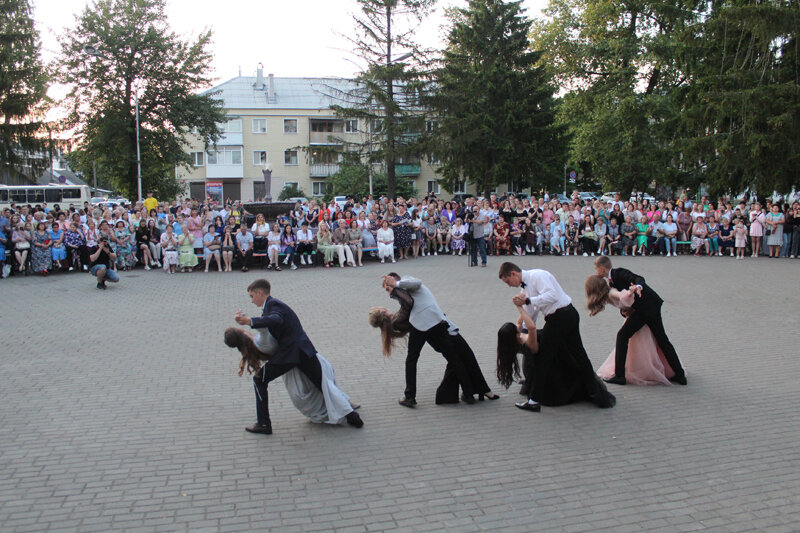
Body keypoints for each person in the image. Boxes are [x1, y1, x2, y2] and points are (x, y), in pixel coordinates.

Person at [232, 279, 363, 434]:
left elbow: (276, 319)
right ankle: (351, 416)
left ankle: (264, 423)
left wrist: (249, 321)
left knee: (259, 379)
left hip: (290, 354)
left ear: (260, 292)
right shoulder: (273, 306)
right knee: (321, 383)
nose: (252, 301)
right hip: (304, 350)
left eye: (252, 296)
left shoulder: (274, 305)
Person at [498, 262, 616, 411]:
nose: (509, 285)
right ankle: (593, 391)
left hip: (559, 318)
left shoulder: (538, 275)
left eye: (508, 281)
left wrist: (528, 301)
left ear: (513, 274)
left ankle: (534, 401)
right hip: (567, 315)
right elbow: (530, 314)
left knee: (543, 359)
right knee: (579, 355)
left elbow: (551, 296)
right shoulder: (525, 288)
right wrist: (520, 329)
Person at [371, 274, 498, 405]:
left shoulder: (406, 283)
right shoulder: (403, 294)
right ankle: (470, 393)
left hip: (428, 325)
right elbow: (408, 308)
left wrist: (396, 285)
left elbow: (416, 284)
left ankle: (410, 396)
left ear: (394, 279)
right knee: (456, 358)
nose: (389, 292)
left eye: (388, 288)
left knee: (450, 358)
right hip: (436, 324)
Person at [593, 255, 687, 385]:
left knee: (623, 336)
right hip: (647, 307)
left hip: (647, 308)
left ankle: (620, 376)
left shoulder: (619, 273)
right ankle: (680, 375)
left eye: (596, 269)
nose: (596, 272)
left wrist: (638, 286)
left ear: (602, 269)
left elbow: (638, 278)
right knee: (662, 339)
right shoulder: (612, 281)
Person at [585, 275, 674, 385]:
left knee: (623, 337)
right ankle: (672, 370)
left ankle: (620, 375)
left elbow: (624, 296)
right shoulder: (606, 294)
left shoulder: (611, 292)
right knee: (649, 341)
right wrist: (624, 310)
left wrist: (630, 292)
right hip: (638, 313)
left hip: (642, 312)